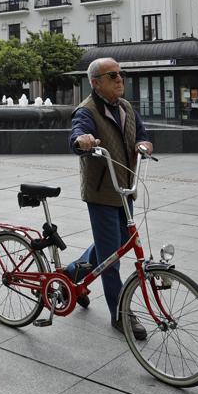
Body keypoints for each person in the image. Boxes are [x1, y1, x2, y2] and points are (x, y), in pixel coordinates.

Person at [66, 57, 153, 339]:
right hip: (102, 191)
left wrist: (144, 143)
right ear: (96, 83)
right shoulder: (87, 110)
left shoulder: (126, 107)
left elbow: (141, 132)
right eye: (112, 75)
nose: (120, 79)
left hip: (124, 188)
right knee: (111, 255)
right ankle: (120, 313)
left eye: (121, 74)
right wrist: (82, 141)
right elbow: (77, 132)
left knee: (117, 244)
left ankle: (72, 275)